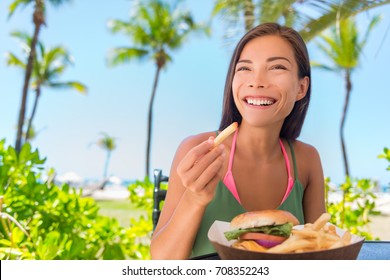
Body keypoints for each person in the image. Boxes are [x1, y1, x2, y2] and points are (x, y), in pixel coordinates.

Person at [150, 22, 326, 259]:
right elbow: (162, 264)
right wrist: (194, 198)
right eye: (244, 69)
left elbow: (323, 253)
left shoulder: (307, 160)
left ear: (301, 88)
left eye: (276, 67)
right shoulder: (196, 150)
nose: (257, 81)